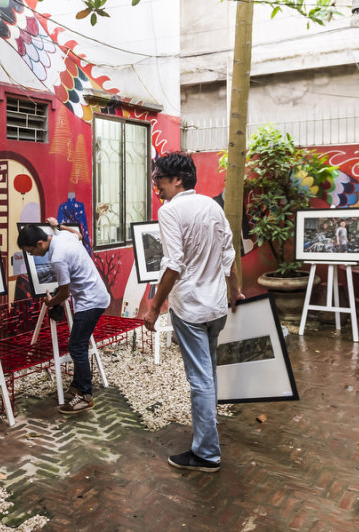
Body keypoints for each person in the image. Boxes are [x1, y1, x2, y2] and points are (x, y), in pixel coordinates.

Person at [143, 151, 244, 473]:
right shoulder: (212, 206)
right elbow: (229, 254)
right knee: (208, 374)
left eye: (158, 178)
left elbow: (174, 263)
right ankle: (207, 435)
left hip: (191, 308)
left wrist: (154, 306)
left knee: (200, 380)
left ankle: (206, 454)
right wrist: (235, 290)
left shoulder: (171, 211)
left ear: (177, 180)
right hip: (216, 307)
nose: (155, 185)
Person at [17, 218, 110, 414]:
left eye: (31, 251)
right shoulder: (64, 236)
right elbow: (79, 235)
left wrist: (50, 302)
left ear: (40, 243)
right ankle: (77, 386)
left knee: (76, 346)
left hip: (90, 302)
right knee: (78, 343)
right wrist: (58, 225)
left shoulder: (57, 257)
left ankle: (85, 396)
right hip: (96, 295)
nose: (32, 255)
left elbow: (65, 293)